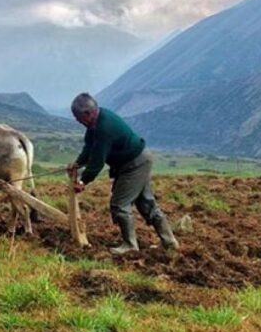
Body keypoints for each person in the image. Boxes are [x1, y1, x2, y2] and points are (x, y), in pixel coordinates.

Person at [67, 93, 179, 254]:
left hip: (134, 164)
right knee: (146, 203)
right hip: (138, 160)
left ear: (88, 113)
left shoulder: (104, 128)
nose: (77, 121)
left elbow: (98, 160)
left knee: (120, 204)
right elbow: (89, 147)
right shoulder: (95, 123)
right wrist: (78, 163)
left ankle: (130, 245)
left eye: (78, 118)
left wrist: (83, 181)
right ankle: (169, 242)